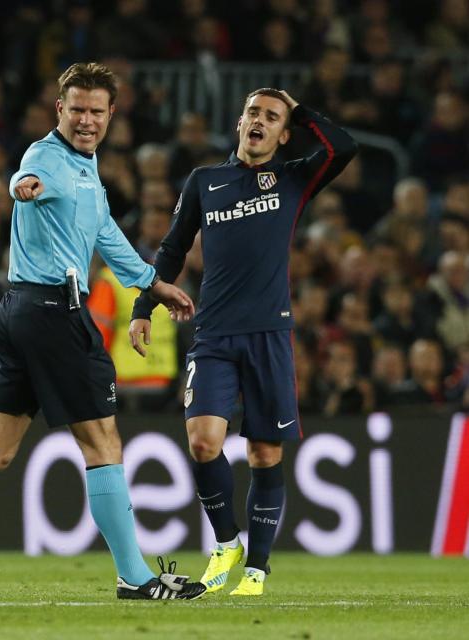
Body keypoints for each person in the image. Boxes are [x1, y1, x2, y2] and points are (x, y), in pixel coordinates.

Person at [0, 62, 205, 602]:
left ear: (111, 115)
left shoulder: (88, 171)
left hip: (25, 313)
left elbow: (109, 237)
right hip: (53, 313)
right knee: (102, 442)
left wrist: (154, 284)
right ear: (60, 109)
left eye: (97, 111)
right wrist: (22, 188)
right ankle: (135, 576)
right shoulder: (46, 156)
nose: (86, 120)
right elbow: (26, 179)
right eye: (77, 109)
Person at [130, 88, 357, 596]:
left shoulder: (296, 177)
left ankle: (256, 568)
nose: (260, 120)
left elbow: (343, 147)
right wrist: (144, 306)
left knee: (263, 454)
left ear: (283, 132)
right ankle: (226, 541)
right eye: (254, 112)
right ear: (239, 122)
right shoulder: (205, 181)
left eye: (272, 117)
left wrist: (302, 113)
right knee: (203, 440)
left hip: (269, 334)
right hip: (213, 332)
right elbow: (172, 249)